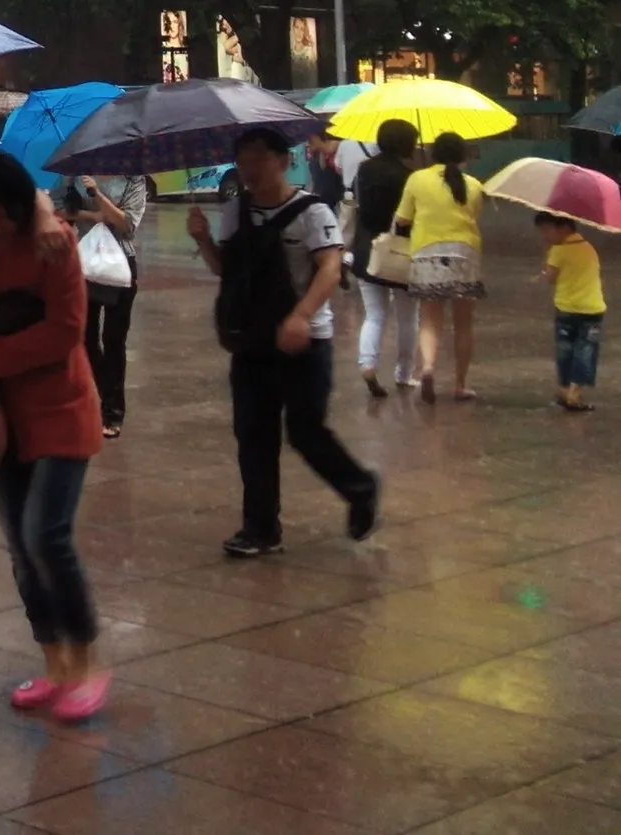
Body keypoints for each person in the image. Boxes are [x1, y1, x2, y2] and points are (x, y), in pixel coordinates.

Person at [0, 151, 108, 723]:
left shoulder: (52, 244)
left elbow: (66, 330)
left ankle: (88, 665)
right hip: (2, 420)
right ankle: (55, 666)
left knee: (48, 536)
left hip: (61, 409)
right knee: (21, 549)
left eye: (1, 214)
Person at [189, 127, 380, 556]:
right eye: (243, 159)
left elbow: (330, 268)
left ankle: (360, 488)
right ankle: (260, 528)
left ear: (283, 160)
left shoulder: (312, 211)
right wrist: (202, 240)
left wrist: (300, 316)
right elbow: (228, 271)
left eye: (259, 157)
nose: (250, 168)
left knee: (305, 430)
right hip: (252, 341)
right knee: (252, 435)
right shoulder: (235, 211)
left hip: (305, 342)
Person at [396, 130, 487, 403]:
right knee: (463, 323)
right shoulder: (473, 184)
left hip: (426, 253)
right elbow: (473, 217)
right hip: (465, 253)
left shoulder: (417, 179)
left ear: (433, 154)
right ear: (462, 156)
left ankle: (428, 368)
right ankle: (460, 385)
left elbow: (402, 219)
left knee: (430, 319)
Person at [72, 173, 147, 439]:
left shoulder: (134, 180)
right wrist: (91, 216)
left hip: (120, 267)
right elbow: (61, 209)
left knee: (114, 340)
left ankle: (113, 412)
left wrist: (97, 195)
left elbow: (127, 225)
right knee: (85, 338)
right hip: (85, 265)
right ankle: (108, 396)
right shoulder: (77, 173)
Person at [350, 118, 421, 395]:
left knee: (375, 314)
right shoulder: (409, 177)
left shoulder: (363, 170)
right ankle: (404, 373)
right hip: (400, 253)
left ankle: (368, 364)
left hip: (368, 250)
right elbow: (408, 219)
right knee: (407, 317)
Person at [537, 212, 604, 412]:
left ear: (564, 228)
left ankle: (566, 388)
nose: (545, 235)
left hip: (566, 310)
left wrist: (545, 268)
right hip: (592, 310)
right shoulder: (589, 248)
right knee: (586, 350)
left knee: (565, 350)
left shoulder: (557, 251)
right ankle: (575, 390)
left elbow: (550, 278)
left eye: (547, 230)